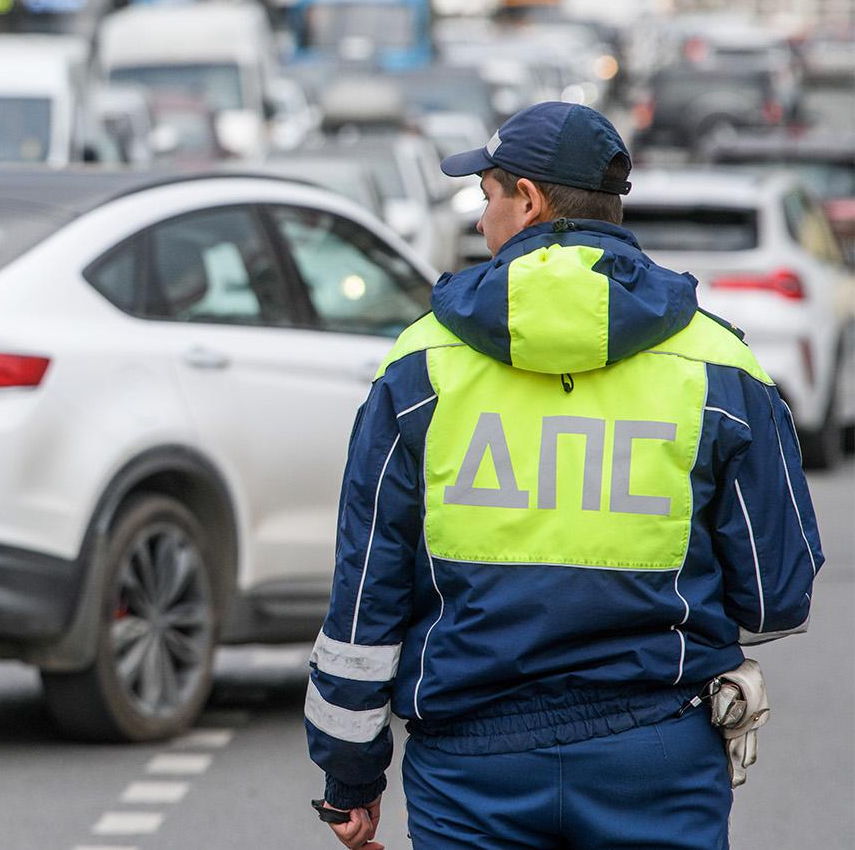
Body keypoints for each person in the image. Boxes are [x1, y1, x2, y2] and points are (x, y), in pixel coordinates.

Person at [304, 101, 823, 849]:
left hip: (473, 773)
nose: (482, 221)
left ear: (530, 201)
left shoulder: (419, 367)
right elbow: (778, 597)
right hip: (658, 762)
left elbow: (364, 602)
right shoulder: (719, 367)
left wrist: (349, 776)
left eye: (487, 198)